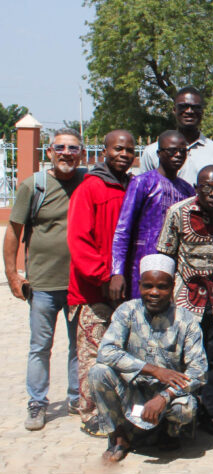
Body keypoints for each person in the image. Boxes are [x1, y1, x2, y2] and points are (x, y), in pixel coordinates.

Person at [88, 255, 207, 463]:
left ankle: (167, 433)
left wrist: (165, 396)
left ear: (172, 288)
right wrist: (153, 370)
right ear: (140, 285)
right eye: (148, 286)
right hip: (133, 391)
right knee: (98, 371)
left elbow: (199, 371)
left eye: (161, 287)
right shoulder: (127, 312)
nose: (154, 293)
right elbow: (106, 352)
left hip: (167, 396)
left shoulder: (186, 321)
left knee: (186, 407)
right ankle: (119, 437)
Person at [5, 128, 85, 431]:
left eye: (74, 148)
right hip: (42, 284)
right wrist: (13, 275)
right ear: (49, 152)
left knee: (78, 345)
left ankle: (77, 397)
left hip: (78, 283)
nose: (67, 153)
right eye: (61, 147)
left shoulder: (87, 182)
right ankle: (37, 402)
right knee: (40, 346)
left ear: (81, 153)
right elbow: (14, 232)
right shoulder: (33, 186)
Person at [157, 165, 213, 437]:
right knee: (183, 356)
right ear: (197, 188)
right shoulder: (178, 213)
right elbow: (166, 255)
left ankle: (212, 412)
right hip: (186, 297)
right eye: (206, 187)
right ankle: (180, 413)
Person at [67, 130, 135, 435]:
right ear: (105, 151)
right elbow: (79, 240)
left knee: (121, 353)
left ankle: (119, 410)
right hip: (93, 289)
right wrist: (103, 277)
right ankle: (91, 413)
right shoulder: (90, 188)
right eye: (118, 148)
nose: (123, 154)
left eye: (129, 150)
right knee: (93, 353)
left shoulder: (133, 186)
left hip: (126, 291)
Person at [110, 131, 196, 301]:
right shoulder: (143, 183)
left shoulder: (187, 190)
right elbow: (123, 230)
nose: (178, 155)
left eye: (182, 151)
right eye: (171, 151)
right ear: (159, 153)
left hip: (175, 268)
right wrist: (117, 272)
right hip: (141, 266)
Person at [137, 88, 213, 185]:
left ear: (202, 111)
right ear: (174, 110)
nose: (189, 111)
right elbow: (144, 190)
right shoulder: (152, 152)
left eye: (195, 107)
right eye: (183, 106)